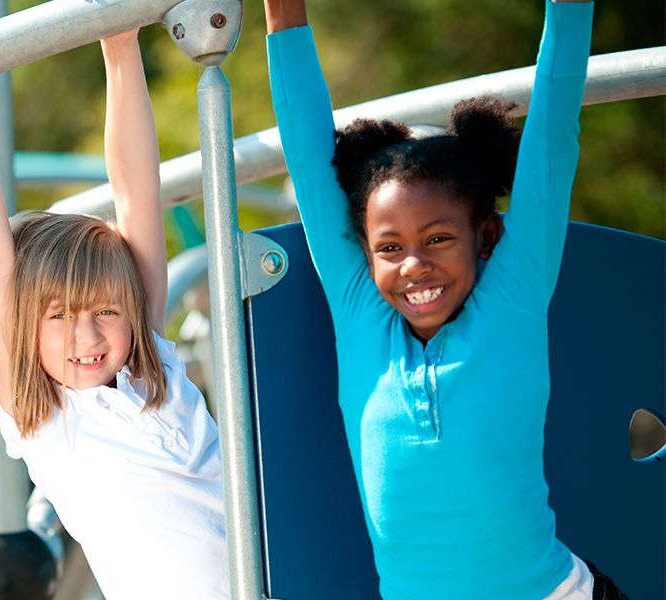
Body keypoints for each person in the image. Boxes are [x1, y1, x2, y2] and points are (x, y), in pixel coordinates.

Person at [262, 0, 625, 598]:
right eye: (390, 247)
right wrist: (284, 15)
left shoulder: (513, 298)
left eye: (437, 239)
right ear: (364, 250)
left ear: (485, 235)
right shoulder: (361, 316)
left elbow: (555, 129)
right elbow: (308, 156)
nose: (414, 265)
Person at [0, 24, 229, 599]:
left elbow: (135, 190)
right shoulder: (41, 411)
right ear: (26, 325)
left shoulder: (149, 366)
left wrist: (119, 45)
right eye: (60, 316)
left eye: (105, 312)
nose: (88, 334)